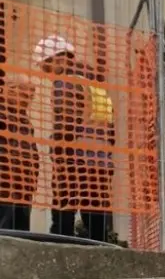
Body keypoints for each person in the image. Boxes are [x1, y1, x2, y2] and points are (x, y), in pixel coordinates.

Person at [37, 35, 116, 242]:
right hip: (101, 160)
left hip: (74, 158)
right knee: (96, 210)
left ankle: (61, 249)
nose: (46, 74)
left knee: (64, 208)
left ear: (59, 59)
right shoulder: (96, 85)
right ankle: (100, 249)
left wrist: (58, 149)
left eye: (46, 67)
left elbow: (66, 120)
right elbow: (111, 127)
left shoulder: (66, 82)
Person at [0, 5, 37, 231]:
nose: (28, 97)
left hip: (22, 192)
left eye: (30, 94)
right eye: (22, 92)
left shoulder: (25, 122)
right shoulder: (4, 114)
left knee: (22, 237)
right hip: (5, 189)